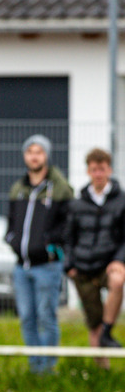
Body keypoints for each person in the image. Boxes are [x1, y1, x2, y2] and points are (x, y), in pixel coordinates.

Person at [4, 135, 73, 373]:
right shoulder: (18, 188)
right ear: (25, 156)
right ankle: (35, 369)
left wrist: (49, 246)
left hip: (47, 266)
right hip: (21, 266)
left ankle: (48, 368)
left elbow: (67, 225)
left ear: (46, 155)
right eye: (30, 151)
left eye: (39, 152)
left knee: (46, 316)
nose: (34, 156)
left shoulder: (60, 187)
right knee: (27, 317)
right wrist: (11, 240)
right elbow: (12, 222)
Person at [63, 147, 125, 363]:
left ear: (109, 170)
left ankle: (108, 331)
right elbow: (68, 238)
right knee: (93, 324)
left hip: (108, 264)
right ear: (88, 171)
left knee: (118, 280)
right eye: (94, 169)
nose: (98, 174)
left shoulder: (121, 201)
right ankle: (101, 374)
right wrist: (69, 265)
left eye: (102, 169)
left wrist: (119, 259)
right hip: (82, 267)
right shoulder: (77, 203)